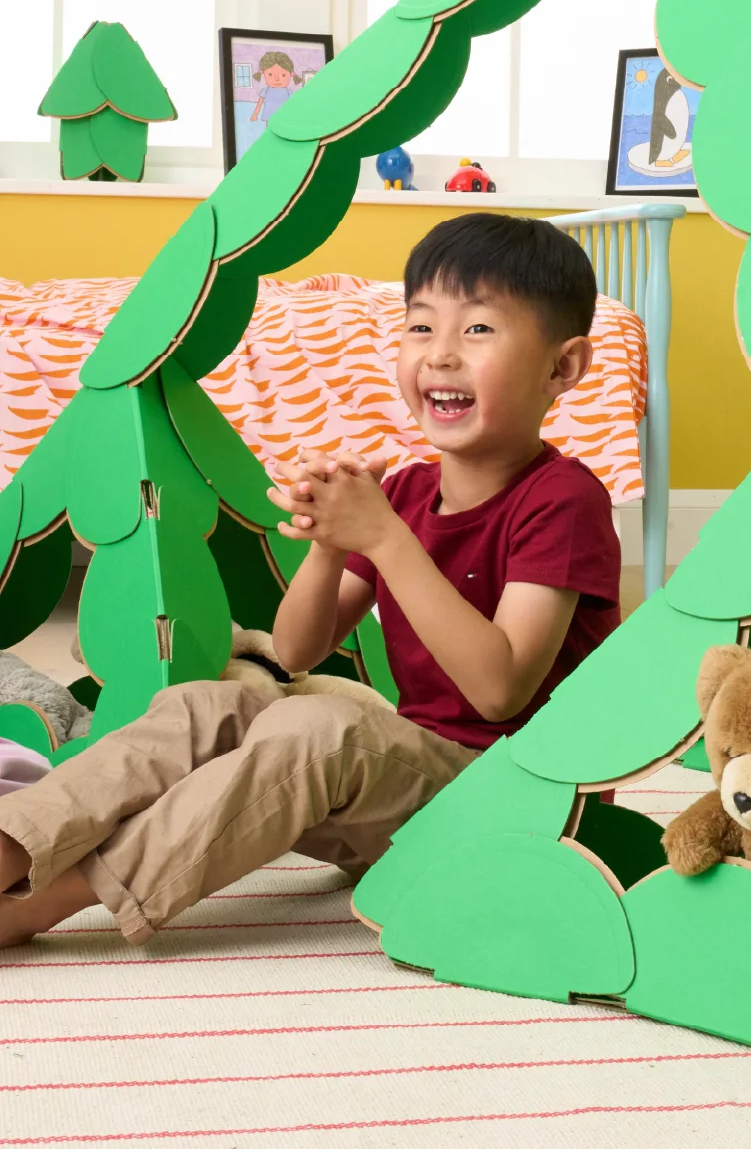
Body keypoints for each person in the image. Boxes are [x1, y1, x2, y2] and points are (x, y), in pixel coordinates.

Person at [0, 214, 621, 947]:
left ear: (563, 366)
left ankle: (47, 904)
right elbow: (293, 653)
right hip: (393, 798)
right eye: (420, 327)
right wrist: (330, 545)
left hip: (504, 809)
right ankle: (12, 845)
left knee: (320, 726)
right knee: (209, 702)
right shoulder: (410, 492)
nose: (441, 355)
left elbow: (499, 688)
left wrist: (384, 539)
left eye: (479, 330)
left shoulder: (564, 500)